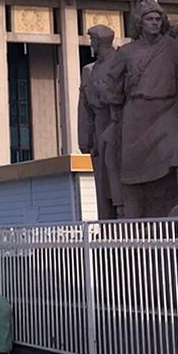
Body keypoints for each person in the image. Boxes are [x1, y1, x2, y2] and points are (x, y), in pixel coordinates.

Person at [97, 0, 178, 217]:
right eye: (149, 19)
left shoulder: (175, 47)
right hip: (137, 116)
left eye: (157, 19)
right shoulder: (126, 52)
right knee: (133, 174)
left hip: (169, 109)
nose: (154, 23)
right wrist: (110, 97)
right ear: (139, 23)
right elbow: (111, 88)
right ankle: (133, 227)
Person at [77, 24, 122, 219]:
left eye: (92, 40)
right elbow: (84, 107)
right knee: (102, 180)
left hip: (118, 123)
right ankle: (108, 225)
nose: (91, 44)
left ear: (97, 42)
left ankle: (124, 218)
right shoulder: (89, 70)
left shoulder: (121, 61)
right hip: (98, 127)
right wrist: (85, 141)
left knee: (116, 174)